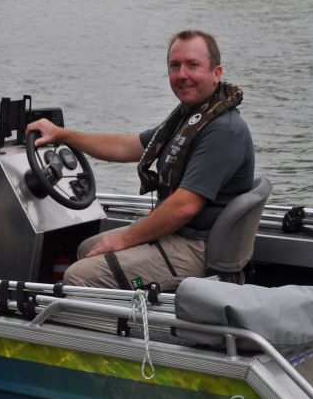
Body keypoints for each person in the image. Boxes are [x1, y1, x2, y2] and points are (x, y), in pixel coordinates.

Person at [25, 30, 254, 291]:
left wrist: (124, 239)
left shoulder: (223, 130)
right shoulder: (190, 117)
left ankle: (98, 330)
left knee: (79, 276)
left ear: (216, 73)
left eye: (193, 65)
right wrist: (63, 134)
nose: (182, 75)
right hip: (181, 235)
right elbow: (127, 146)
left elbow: (184, 207)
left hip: (198, 249)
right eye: (174, 66)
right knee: (87, 248)